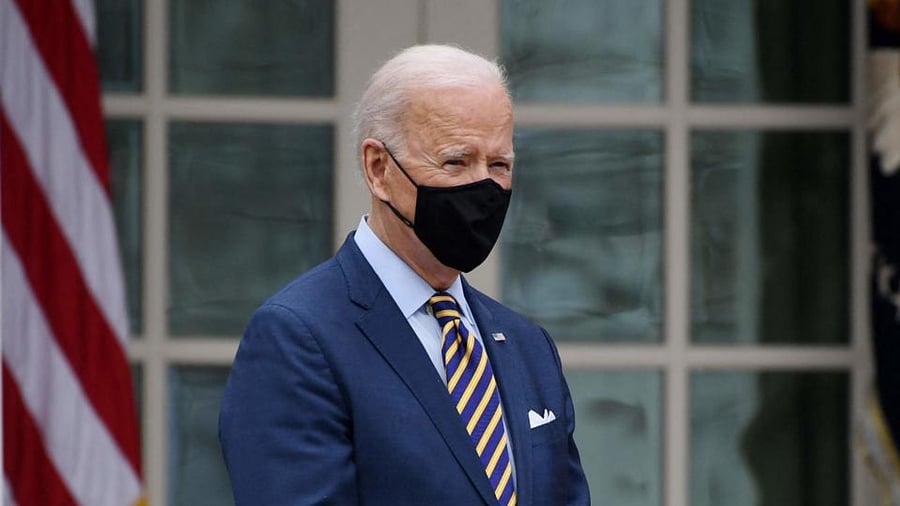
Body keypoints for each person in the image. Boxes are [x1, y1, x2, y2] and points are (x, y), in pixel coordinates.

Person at [219, 44, 591, 506]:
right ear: (379, 168)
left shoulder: (528, 346)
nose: (484, 187)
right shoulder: (298, 337)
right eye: (456, 161)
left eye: (499, 165)